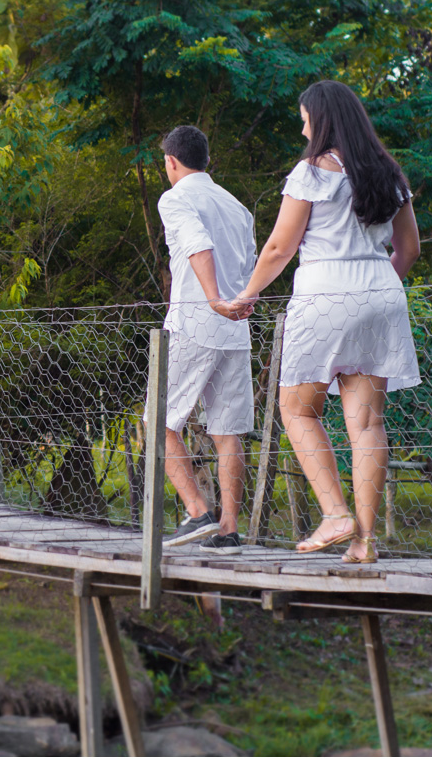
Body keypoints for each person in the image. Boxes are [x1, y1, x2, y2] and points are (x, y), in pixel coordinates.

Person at [222, 80, 421, 564]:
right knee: (368, 423)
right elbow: (410, 249)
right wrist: (374, 289)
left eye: (305, 118)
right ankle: (365, 542)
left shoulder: (312, 171)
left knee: (297, 409)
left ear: (323, 120)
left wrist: (246, 295)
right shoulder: (389, 173)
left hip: (324, 293)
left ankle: (335, 514)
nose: (303, 128)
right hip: (381, 293)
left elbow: (279, 247)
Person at [153, 125, 258, 555]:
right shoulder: (236, 206)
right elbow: (252, 265)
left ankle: (198, 513)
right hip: (235, 327)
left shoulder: (175, 198)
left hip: (196, 322)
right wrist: (237, 302)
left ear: (171, 161)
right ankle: (228, 530)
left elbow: (198, 245)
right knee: (227, 431)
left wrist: (213, 298)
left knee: (159, 422)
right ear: (207, 159)